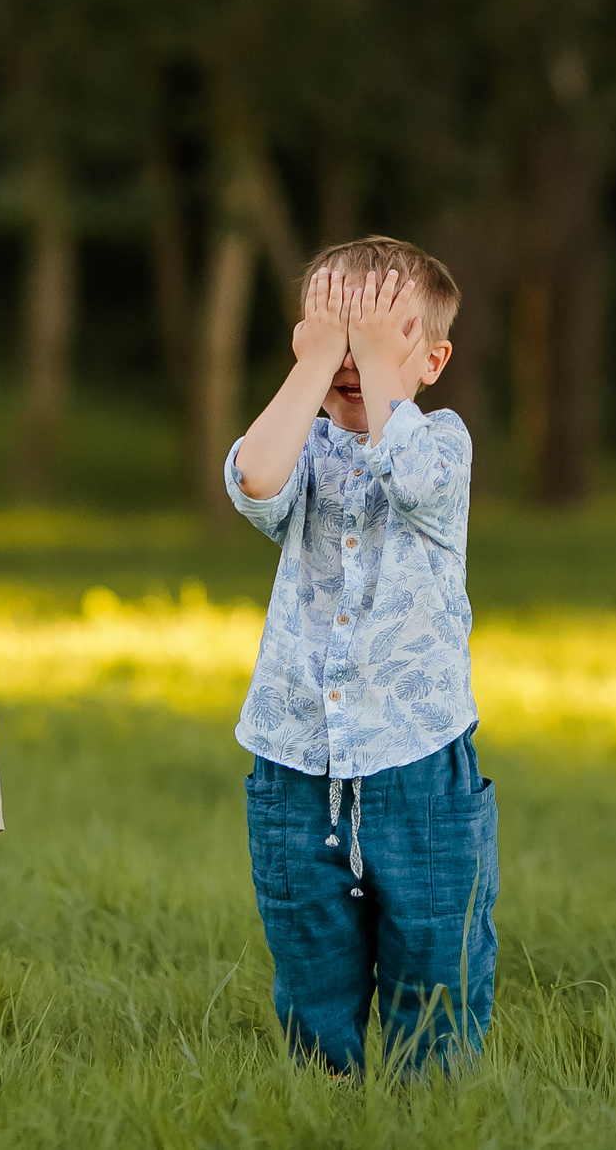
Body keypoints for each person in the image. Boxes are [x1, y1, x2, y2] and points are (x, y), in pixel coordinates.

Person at [227, 238, 495, 1076]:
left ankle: (435, 1113)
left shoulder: (444, 444)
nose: (358, 353)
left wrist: (379, 368)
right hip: (295, 763)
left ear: (433, 358)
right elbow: (253, 481)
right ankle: (325, 1106)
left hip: (417, 767)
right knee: (312, 976)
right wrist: (315, 370)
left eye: (384, 331)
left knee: (435, 971)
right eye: (340, 330)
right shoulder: (302, 444)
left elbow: (409, 476)